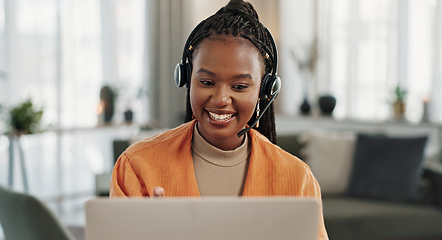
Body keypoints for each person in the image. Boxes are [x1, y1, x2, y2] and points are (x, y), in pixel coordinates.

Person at [110, 1, 328, 239]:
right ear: (186, 78)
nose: (221, 98)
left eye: (240, 86)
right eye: (206, 82)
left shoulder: (298, 179)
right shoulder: (136, 166)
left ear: (264, 91)